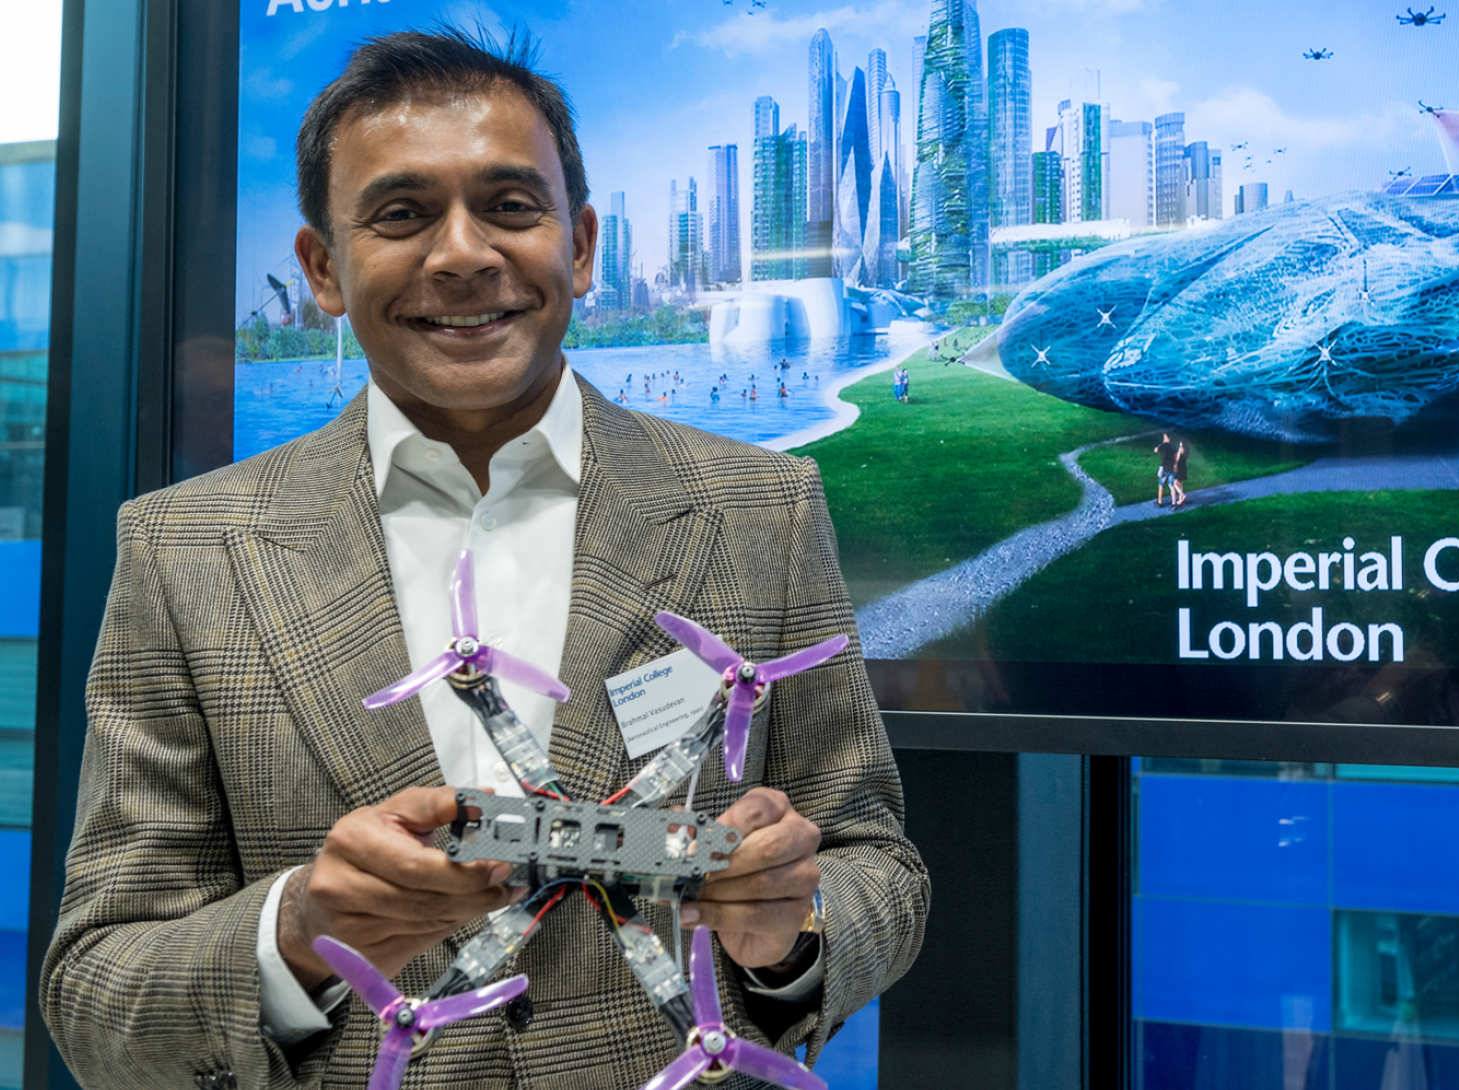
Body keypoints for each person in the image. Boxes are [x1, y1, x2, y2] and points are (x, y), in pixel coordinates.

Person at [40, 28, 928, 1090]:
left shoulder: (759, 508)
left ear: (581, 245)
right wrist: (297, 929)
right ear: (322, 267)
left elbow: (880, 864)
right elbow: (95, 990)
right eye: (401, 214)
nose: (463, 254)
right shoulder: (187, 551)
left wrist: (798, 923)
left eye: (510, 206)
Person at [1153, 432, 1180, 506]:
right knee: (1171, 486)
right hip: (1172, 468)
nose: (1163, 439)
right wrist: (1175, 466)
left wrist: (1159, 445)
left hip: (1164, 469)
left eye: (1164, 437)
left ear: (1166, 438)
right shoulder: (1173, 447)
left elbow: (1155, 450)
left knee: (1161, 485)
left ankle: (1159, 502)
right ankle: (1174, 503)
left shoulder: (1163, 446)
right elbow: (1176, 457)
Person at [1172, 440, 1190, 506]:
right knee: (1181, 484)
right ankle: (1180, 500)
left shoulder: (1180, 450)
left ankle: (1182, 495)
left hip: (1179, 469)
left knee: (1175, 483)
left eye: (1181, 445)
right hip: (1184, 468)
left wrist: (1174, 466)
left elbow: (1177, 460)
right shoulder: (1186, 451)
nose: (1180, 446)